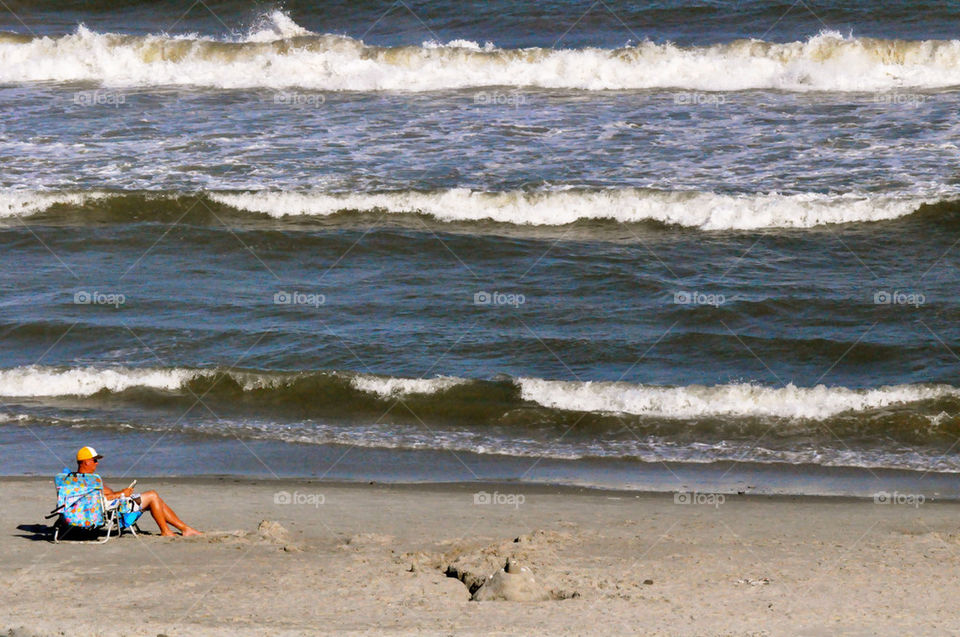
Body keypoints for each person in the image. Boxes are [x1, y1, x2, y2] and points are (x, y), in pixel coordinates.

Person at [75, 446, 201, 537]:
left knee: (156, 499)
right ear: (86, 462)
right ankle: (166, 531)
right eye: (95, 460)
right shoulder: (89, 481)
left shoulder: (73, 479)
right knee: (152, 496)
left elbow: (97, 497)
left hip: (107, 505)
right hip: (112, 508)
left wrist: (121, 493)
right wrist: (122, 494)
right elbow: (100, 500)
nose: (97, 464)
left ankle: (184, 528)